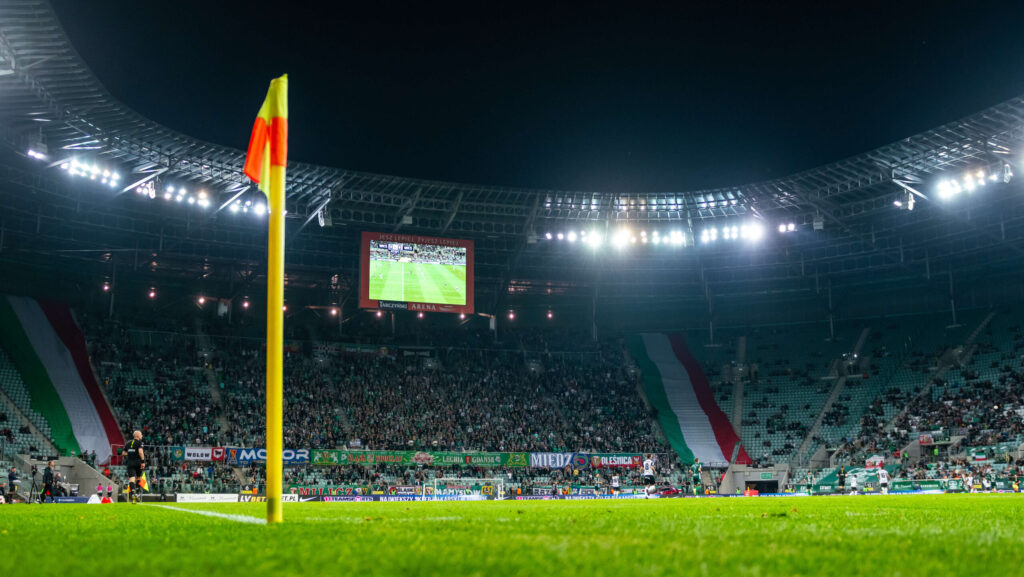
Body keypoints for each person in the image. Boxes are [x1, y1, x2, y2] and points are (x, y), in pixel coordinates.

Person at [123, 430, 146, 504]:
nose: (142, 436)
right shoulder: (139, 443)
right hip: (138, 463)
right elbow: (140, 452)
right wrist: (143, 462)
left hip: (130, 463)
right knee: (139, 477)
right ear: (138, 436)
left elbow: (123, 453)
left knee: (132, 479)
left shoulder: (128, 443)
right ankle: (137, 493)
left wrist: (130, 454)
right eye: (141, 435)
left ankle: (133, 494)